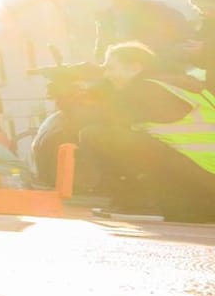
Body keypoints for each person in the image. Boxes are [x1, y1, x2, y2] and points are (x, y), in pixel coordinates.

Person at [78, 43, 215, 222]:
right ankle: (168, 203)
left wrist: (85, 93)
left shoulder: (145, 90)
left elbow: (105, 119)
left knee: (94, 135)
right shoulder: (177, 85)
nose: (106, 75)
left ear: (135, 68)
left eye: (110, 68)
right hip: (204, 176)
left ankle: (138, 203)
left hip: (200, 175)